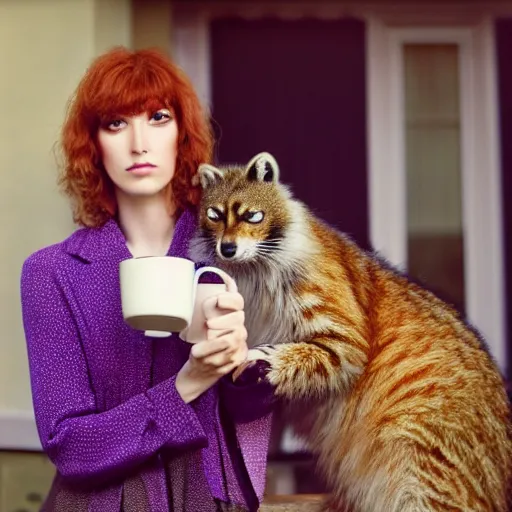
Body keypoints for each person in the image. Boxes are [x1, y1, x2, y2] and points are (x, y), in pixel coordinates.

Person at [20, 47, 275, 512]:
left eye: (157, 117)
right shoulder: (51, 273)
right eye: (116, 123)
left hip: (205, 495)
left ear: (182, 134)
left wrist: (241, 367)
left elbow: (253, 413)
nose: (139, 143)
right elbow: (71, 445)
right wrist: (187, 384)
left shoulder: (235, 254)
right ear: (94, 144)